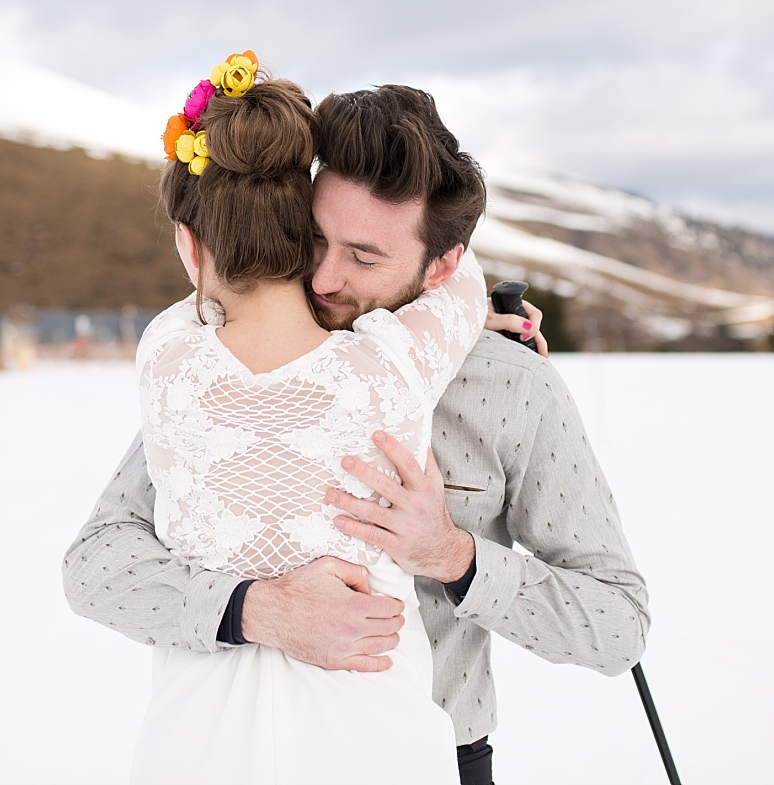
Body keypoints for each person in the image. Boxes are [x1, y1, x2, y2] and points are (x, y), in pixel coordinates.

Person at [64, 81, 650, 785]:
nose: (322, 277)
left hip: (434, 757)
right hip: (244, 757)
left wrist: (454, 555)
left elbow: (617, 623)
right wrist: (254, 611)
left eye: (365, 257)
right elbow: (96, 565)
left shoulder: (510, 386)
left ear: (444, 266)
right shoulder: (227, 367)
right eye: (312, 238)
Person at [130, 52, 489, 783]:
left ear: (189, 246)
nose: (331, 277)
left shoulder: (164, 359)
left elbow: (207, 296)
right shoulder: (392, 368)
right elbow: (462, 289)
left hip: (195, 750)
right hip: (372, 749)